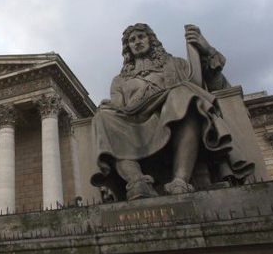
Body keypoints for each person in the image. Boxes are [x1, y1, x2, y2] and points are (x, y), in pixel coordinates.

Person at [91, 24, 254, 201]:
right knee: (102, 116)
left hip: (172, 116)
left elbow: (217, 87)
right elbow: (118, 106)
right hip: (135, 125)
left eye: (141, 37)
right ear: (127, 47)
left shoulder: (176, 64)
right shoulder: (120, 80)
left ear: (151, 40)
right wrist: (109, 106)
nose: (137, 42)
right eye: (132, 40)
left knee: (182, 95)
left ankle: (180, 180)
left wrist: (206, 50)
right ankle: (137, 181)